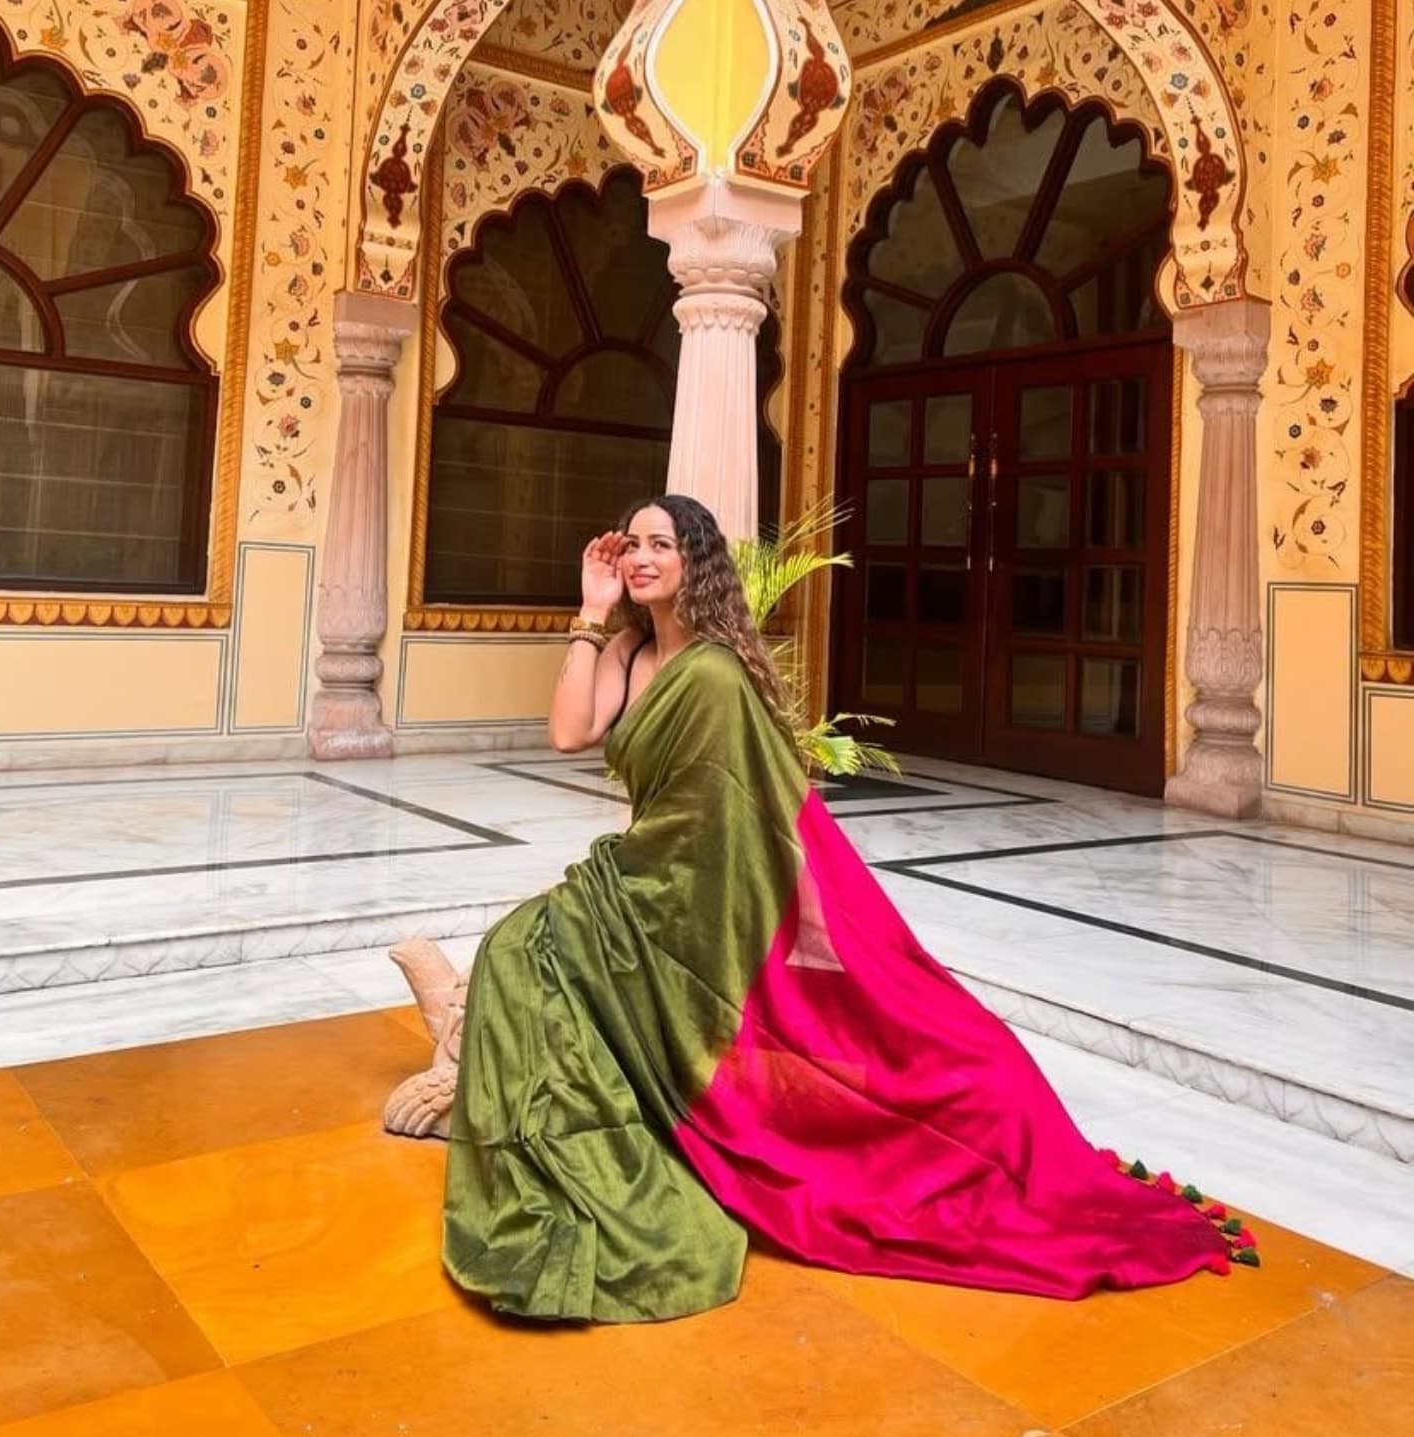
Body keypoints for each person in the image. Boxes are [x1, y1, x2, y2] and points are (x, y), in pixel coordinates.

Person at [405, 494, 1249, 1324]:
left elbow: (748, 815)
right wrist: (591, 615)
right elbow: (567, 734)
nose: (641, 559)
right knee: (522, 952)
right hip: (638, 881)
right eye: (630, 546)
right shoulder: (624, 651)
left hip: (699, 901)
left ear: (696, 560)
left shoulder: (717, 672)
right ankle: (516, 1096)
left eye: (660, 544)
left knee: (534, 950)